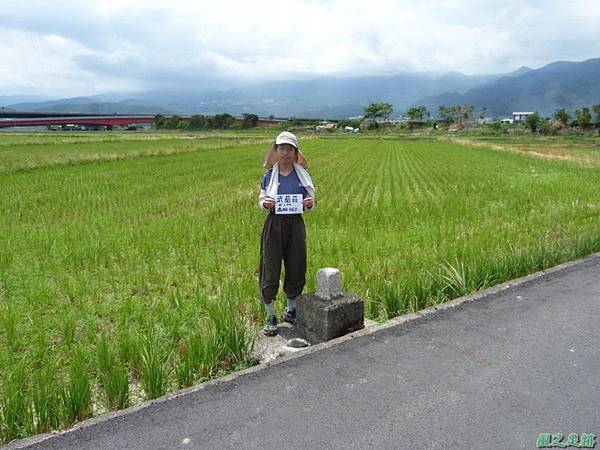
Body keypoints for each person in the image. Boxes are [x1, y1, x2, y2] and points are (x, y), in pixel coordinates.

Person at [258, 131, 315, 336]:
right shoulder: (268, 177)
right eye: (281, 148)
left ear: (295, 152)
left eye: (289, 149)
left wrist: (309, 204)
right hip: (274, 225)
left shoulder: (302, 177)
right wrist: (265, 203)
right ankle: (269, 314)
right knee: (270, 266)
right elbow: (262, 200)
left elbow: (310, 201)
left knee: (296, 264)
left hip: (295, 225)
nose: (285, 152)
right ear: (276, 151)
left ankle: (291, 309)